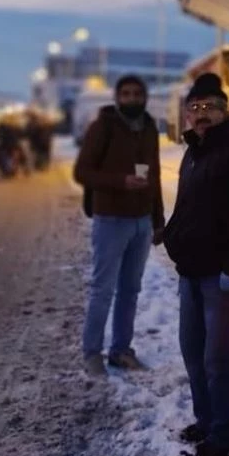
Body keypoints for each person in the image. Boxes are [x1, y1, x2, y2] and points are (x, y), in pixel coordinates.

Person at [163, 73, 229, 456]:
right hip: (190, 270)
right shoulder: (195, 149)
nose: (201, 115)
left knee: (219, 358)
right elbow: (186, 205)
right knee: (193, 351)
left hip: (220, 275)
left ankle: (224, 436)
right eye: (195, 108)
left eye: (209, 107)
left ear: (225, 110)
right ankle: (206, 420)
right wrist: (172, 234)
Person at [73, 74, 165, 376]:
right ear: (117, 97)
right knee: (103, 289)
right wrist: (120, 182)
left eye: (137, 94)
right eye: (125, 94)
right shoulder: (104, 126)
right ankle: (92, 353)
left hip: (140, 221)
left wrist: (157, 219)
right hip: (110, 219)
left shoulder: (150, 127)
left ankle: (121, 350)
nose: (132, 99)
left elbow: (155, 177)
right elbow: (82, 172)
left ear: (145, 96)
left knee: (130, 290)